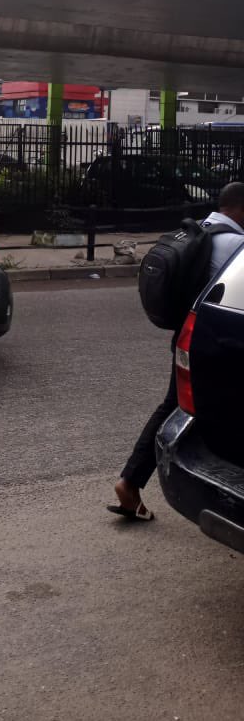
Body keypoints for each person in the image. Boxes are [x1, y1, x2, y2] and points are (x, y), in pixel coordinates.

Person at [109, 181, 244, 521]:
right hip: (217, 342)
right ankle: (134, 481)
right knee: (182, 409)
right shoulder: (236, 246)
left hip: (190, 336)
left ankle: (131, 482)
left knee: (178, 406)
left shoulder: (200, 229)